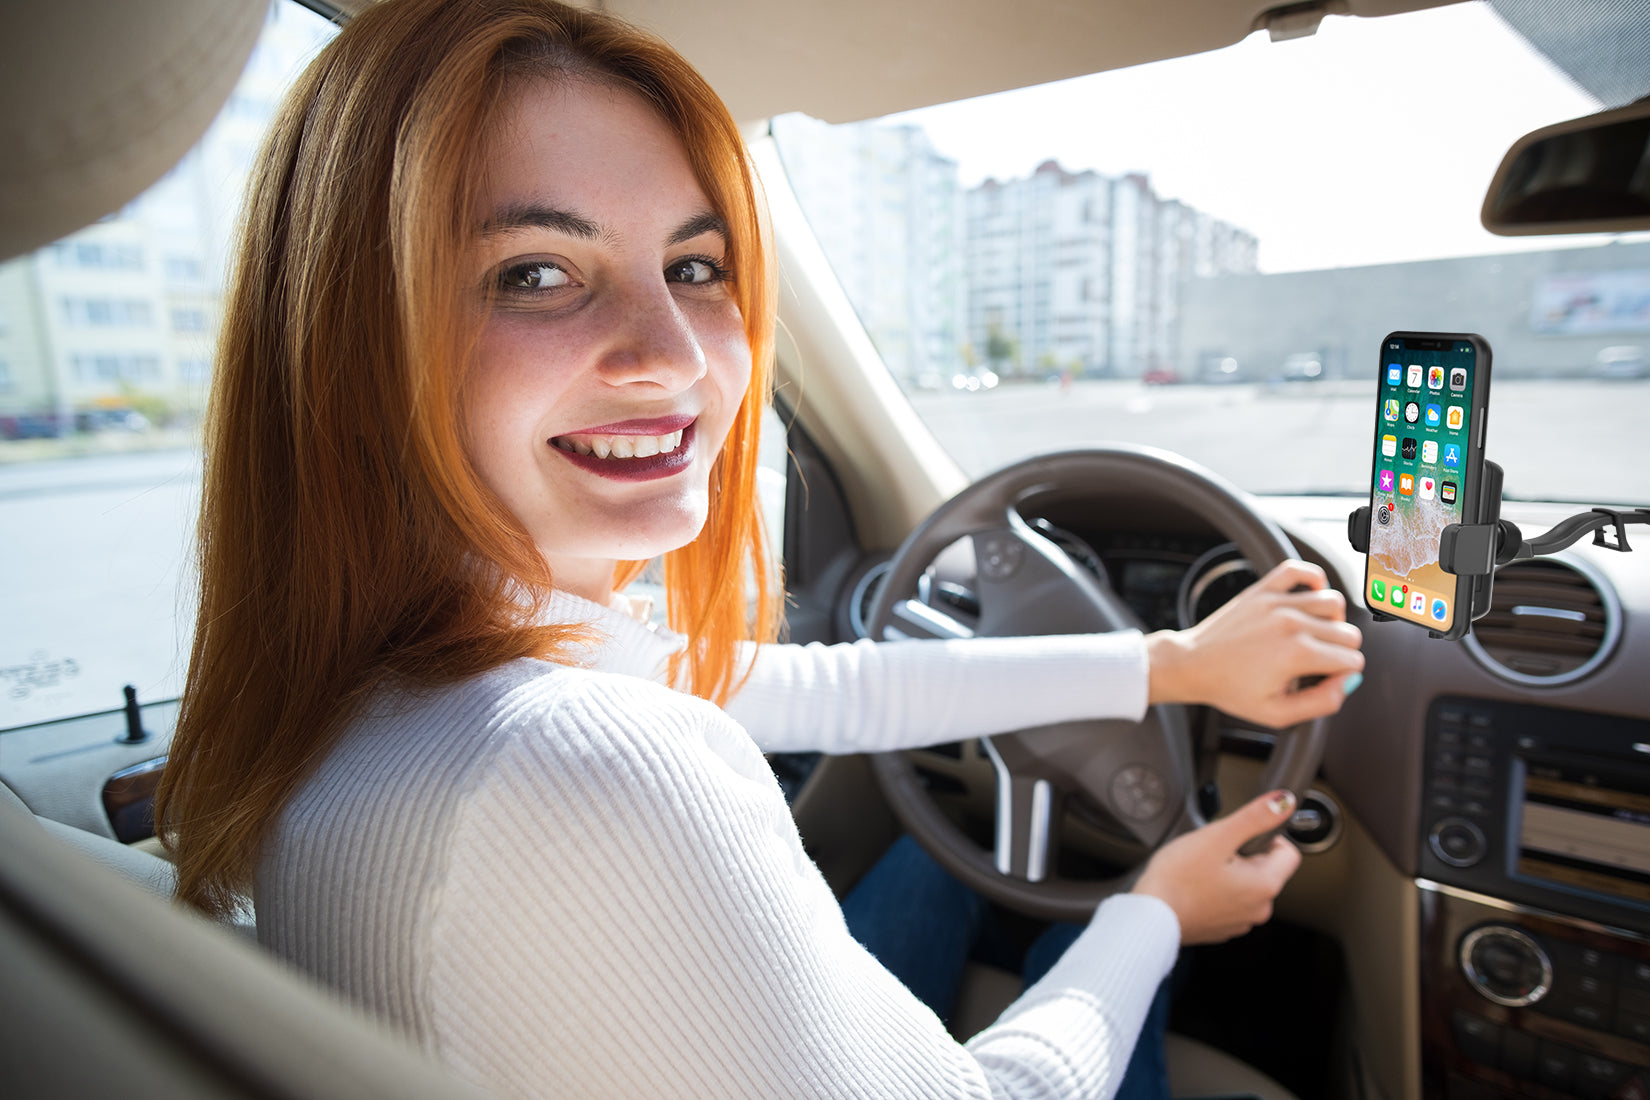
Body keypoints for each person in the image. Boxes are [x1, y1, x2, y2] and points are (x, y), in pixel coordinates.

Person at [155, 1, 1365, 1097]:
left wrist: (1173, 665)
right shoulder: (589, 763)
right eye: (535, 273)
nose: (672, 353)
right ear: (346, 344)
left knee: (937, 858)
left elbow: (835, 685)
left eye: (693, 265)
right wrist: (1152, 914)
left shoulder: (371, 676)